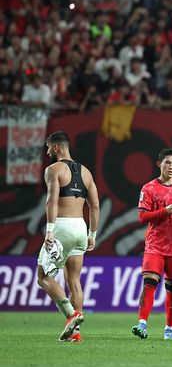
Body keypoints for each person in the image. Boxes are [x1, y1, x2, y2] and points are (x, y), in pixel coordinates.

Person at [38, 131, 100, 342]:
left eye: (48, 148)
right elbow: (95, 206)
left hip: (62, 227)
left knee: (44, 277)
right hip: (80, 228)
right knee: (74, 279)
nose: (47, 152)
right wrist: (92, 234)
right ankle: (75, 333)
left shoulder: (53, 169)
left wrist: (49, 230)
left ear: (56, 147)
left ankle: (72, 315)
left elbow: (52, 200)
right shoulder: (86, 172)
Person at [132, 148, 172, 340]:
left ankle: (169, 329)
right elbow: (142, 217)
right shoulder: (149, 188)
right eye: (167, 163)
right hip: (155, 245)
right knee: (149, 282)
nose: (171, 167)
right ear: (159, 164)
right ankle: (142, 323)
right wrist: (164, 211)